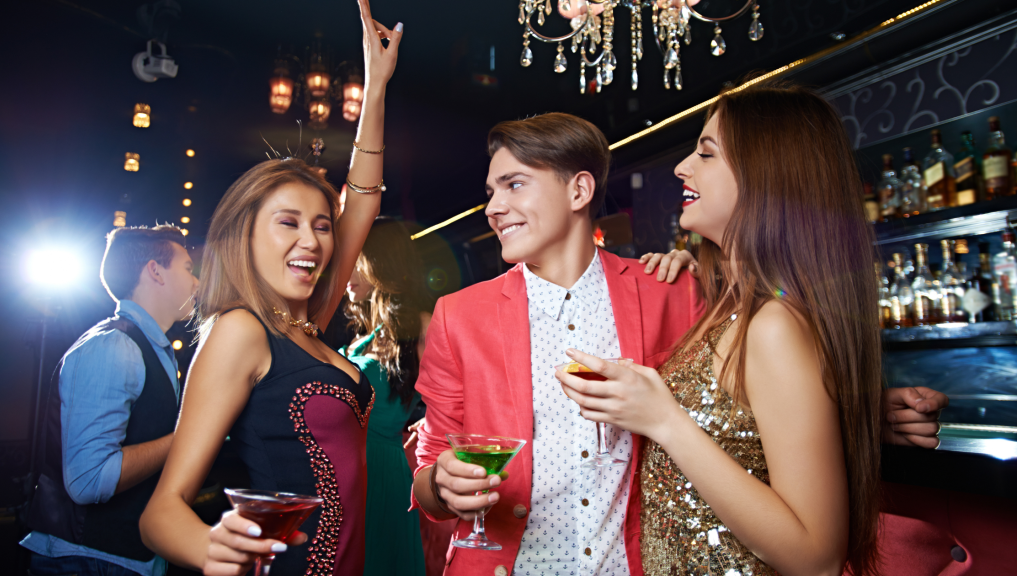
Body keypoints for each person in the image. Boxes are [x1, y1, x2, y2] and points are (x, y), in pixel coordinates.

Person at [410, 110, 949, 576]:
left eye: (514, 184)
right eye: (490, 192)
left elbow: (745, 391)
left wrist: (859, 410)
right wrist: (441, 484)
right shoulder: (458, 316)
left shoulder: (675, 291)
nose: (493, 207)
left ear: (578, 190)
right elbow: (428, 474)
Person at [555, 83, 892, 575]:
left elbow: (817, 559)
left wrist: (665, 421)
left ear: (766, 176)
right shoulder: (728, 304)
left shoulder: (775, 324)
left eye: (706, 154)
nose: (681, 167)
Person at [138, 2, 400, 574]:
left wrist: (375, 87)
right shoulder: (240, 331)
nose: (311, 239)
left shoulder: (306, 324)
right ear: (245, 236)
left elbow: (363, 200)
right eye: (288, 222)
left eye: (321, 225)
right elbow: (160, 513)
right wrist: (217, 551)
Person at [22, 224, 198, 576]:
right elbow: (89, 481)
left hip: (125, 559)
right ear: (155, 271)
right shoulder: (113, 346)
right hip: (86, 562)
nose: (196, 282)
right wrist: (187, 439)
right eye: (189, 269)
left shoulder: (152, 349)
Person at [341, 217, 432, 576]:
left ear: (380, 262)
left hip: (381, 470)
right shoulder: (367, 335)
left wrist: (433, 420)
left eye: (355, 257)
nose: (345, 268)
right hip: (347, 469)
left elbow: (468, 394)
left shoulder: (424, 325)